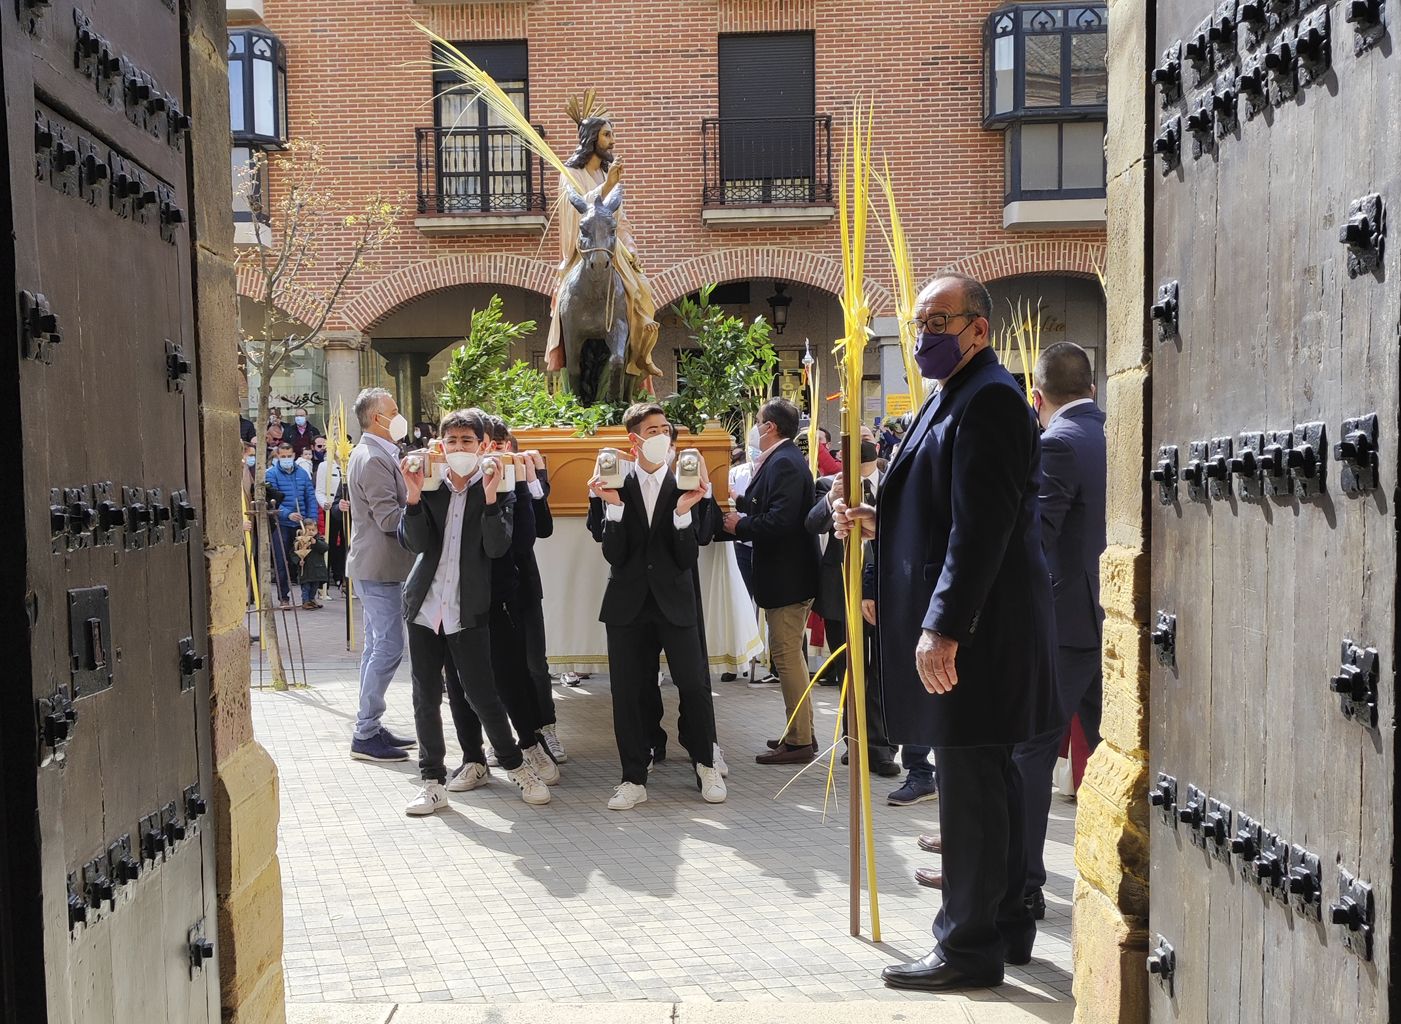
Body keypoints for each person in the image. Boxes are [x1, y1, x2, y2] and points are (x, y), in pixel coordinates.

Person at [837, 273, 1058, 990]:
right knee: (984, 786)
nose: (925, 333)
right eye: (919, 320)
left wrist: (943, 627)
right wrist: (879, 520)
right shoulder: (952, 395)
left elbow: (982, 529)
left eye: (939, 321)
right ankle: (1006, 923)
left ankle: (967, 948)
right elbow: (943, 505)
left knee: (971, 791)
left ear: (978, 329)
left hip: (979, 637)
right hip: (973, 628)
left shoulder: (989, 398)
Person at [399, 409, 551, 815]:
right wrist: (412, 495)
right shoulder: (430, 486)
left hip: (468, 608)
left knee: (482, 693)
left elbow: (497, 546)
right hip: (424, 608)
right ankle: (432, 780)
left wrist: (488, 495)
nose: (459, 448)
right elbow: (413, 543)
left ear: (483, 445)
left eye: (468, 441)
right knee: (425, 696)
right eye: (452, 442)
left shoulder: (498, 489)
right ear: (441, 445)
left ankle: (518, 767)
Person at [1011, 341, 1106, 921]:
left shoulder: (1057, 443)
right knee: (1105, 748)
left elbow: (1037, 541)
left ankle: (1023, 883)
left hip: (1067, 627)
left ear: (1038, 398)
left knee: (1032, 754)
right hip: (1111, 622)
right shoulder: (1116, 436)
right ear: (1092, 389)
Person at [587, 402, 722, 810]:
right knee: (628, 690)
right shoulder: (612, 482)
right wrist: (611, 505)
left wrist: (685, 511)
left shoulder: (687, 481)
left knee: (694, 684)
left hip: (675, 600)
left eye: (666, 429)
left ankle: (705, 762)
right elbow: (613, 552)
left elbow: (691, 551)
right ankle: (632, 776)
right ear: (634, 440)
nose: (662, 436)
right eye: (652, 430)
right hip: (627, 603)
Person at [723, 397, 821, 765]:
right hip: (785, 575)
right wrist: (744, 502)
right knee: (787, 653)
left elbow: (780, 521)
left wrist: (740, 524)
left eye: (759, 421)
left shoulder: (785, 463)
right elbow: (769, 504)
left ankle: (799, 742)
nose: (754, 428)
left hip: (789, 576)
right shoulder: (782, 461)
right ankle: (800, 732)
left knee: (786, 654)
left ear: (770, 428)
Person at [805, 438, 898, 777]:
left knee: (882, 671)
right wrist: (832, 497)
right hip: (839, 590)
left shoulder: (893, 482)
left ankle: (885, 744)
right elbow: (811, 523)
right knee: (850, 670)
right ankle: (856, 741)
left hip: (887, 591)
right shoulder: (826, 485)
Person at [546, 109, 661, 383]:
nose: (612, 141)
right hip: (585, 248)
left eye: (612, 134)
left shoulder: (608, 173)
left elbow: (621, 220)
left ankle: (641, 356)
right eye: (607, 135)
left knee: (642, 291)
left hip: (613, 248)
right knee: (567, 294)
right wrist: (606, 188)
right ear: (592, 139)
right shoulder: (570, 172)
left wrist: (631, 249)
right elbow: (574, 207)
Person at [345, 388, 417, 763]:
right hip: (379, 566)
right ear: (377, 419)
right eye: (393, 410)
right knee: (388, 648)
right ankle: (365, 732)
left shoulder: (378, 453)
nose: (399, 415)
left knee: (377, 646)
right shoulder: (373, 458)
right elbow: (389, 518)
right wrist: (423, 510)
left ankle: (369, 727)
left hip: (379, 565)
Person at [264, 441, 320, 611]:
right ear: (277, 456)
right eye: (283, 457)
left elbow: (310, 497)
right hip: (281, 524)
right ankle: (284, 597)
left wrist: (312, 519)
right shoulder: (271, 474)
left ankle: (308, 598)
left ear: (294, 456)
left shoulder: (302, 473)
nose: (287, 459)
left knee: (307, 561)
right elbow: (270, 501)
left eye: (289, 456)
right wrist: (287, 513)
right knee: (282, 562)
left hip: (303, 525)